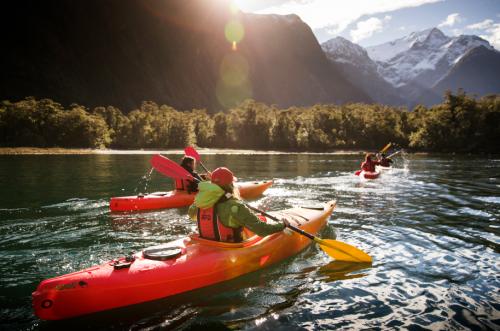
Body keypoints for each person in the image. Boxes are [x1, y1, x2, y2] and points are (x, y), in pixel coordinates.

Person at [188, 167, 288, 243]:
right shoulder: (235, 207)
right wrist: (281, 225)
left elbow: (192, 215)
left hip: (206, 244)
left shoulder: (198, 203)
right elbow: (262, 230)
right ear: (230, 184)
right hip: (228, 250)